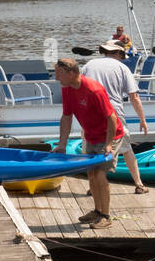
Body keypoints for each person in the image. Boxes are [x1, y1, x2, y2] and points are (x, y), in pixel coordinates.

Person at [50, 58, 124, 229]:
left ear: (71, 73)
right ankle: (97, 211)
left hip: (109, 135)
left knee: (99, 174)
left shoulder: (93, 90)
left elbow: (111, 118)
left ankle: (106, 216)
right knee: (91, 174)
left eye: (59, 74)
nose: (56, 78)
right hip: (91, 136)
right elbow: (67, 117)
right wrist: (62, 144)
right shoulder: (67, 89)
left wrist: (108, 144)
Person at [81, 41, 150, 193]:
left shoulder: (89, 65)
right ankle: (139, 184)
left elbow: (80, 88)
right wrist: (142, 119)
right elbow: (134, 96)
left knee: (90, 151)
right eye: (122, 55)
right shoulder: (122, 68)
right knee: (126, 148)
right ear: (118, 53)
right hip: (113, 112)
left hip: (90, 112)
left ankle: (92, 187)